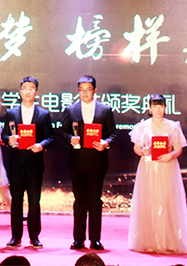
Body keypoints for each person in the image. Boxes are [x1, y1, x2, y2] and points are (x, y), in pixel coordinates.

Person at [127, 94, 187, 254]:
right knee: (149, 201)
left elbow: (178, 148)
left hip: (167, 167)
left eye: (161, 106)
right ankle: (148, 241)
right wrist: (143, 152)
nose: (158, 109)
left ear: (165, 107)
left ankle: (167, 241)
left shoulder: (172, 126)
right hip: (149, 168)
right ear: (150, 108)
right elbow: (137, 148)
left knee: (166, 201)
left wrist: (170, 155)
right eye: (155, 106)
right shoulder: (143, 126)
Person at [60, 75, 117, 251]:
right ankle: (78, 239)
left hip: (97, 162)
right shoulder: (70, 110)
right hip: (77, 162)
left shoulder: (105, 110)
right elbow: (63, 132)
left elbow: (113, 133)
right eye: (81, 90)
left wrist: (105, 143)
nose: (85, 93)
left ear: (95, 90)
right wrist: (70, 139)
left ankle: (95, 239)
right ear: (78, 91)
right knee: (79, 201)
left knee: (95, 201)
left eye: (88, 90)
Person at [1, 76, 55, 249]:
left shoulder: (43, 114)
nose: (27, 92)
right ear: (20, 91)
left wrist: (41, 145)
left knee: (34, 201)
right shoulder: (11, 113)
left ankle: (34, 237)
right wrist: (9, 139)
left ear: (36, 92)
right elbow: (4, 135)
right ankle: (15, 237)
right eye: (24, 88)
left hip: (34, 164)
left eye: (31, 89)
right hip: (16, 163)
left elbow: (50, 137)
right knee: (16, 201)